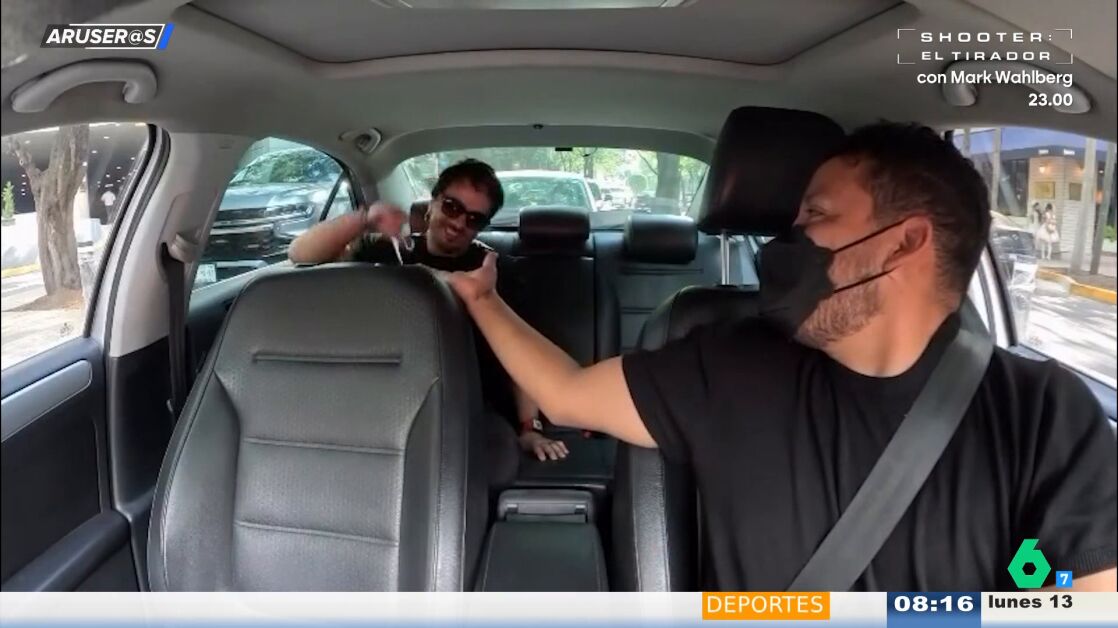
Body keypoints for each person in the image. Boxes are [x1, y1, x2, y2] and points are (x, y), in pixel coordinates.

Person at [441, 123, 1117, 591]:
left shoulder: (1045, 416)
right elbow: (564, 393)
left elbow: (1082, 602)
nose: (783, 247)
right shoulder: (730, 364)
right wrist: (481, 297)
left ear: (904, 243)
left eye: (815, 217)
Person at [289, 158, 569, 465]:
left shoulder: (491, 271)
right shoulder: (387, 250)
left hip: (464, 404)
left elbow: (520, 355)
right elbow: (301, 254)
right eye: (452, 207)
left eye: (474, 219)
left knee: (495, 462)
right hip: (378, 396)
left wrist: (530, 428)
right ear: (432, 203)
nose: (459, 223)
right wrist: (365, 218)